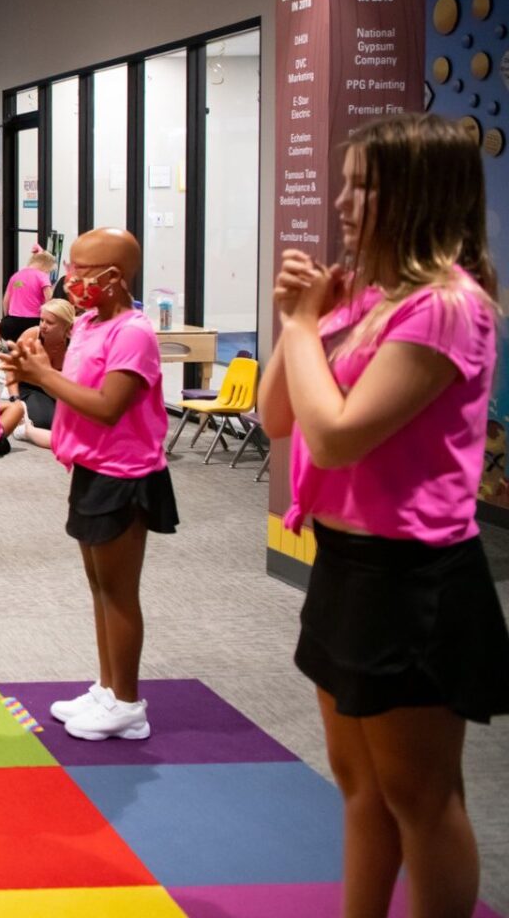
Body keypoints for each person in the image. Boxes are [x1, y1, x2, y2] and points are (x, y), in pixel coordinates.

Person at [261, 114, 509, 918]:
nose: (342, 201)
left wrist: (303, 327)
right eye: (345, 181)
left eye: (363, 185)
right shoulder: (366, 296)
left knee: (420, 797)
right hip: (347, 566)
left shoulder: (447, 307)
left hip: (415, 581)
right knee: (360, 785)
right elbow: (277, 416)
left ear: (419, 195)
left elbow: (333, 437)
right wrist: (301, 323)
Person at [3, 227, 177, 742]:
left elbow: (106, 406)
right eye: (69, 269)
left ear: (114, 278)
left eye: (80, 271)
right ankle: (107, 687)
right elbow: (75, 385)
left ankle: (127, 702)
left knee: (120, 593)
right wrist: (35, 365)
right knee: (100, 588)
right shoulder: (88, 325)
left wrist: (42, 377)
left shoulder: (134, 333)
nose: (69, 280)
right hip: (89, 469)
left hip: (125, 476)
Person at [0, 249, 57, 377]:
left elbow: (5, 302)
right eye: (49, 270)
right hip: (33, 323)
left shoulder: (16, 276)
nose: (48, 272)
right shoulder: (42, 276)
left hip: (11, 323)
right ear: (45, 266)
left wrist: (5, 321)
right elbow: (50, 300)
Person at [14, 299, 77, 450]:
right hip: (32, 387)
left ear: (66, 326)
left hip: (60, 388)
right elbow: (12, 372)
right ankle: (22, 419)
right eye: (41, 320)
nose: (43, 325)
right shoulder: (31, 336)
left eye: (50, 322)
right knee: (46, 422)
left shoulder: (76, 342)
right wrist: (14, 400)